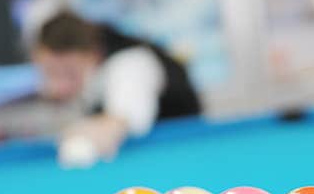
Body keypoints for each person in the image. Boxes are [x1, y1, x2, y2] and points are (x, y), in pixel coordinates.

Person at [32, 9, 201, 167]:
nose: (58, 86)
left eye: (69, 73)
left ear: (93, 56)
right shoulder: (88, 70)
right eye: (50, 73)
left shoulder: (130, 64)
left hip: (181, 154)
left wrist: (94, 132)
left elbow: (120, 120)